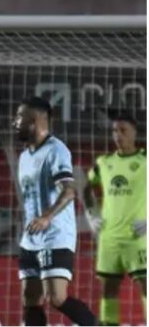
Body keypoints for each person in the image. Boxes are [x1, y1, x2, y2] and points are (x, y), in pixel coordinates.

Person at [12, 96, 97, 326]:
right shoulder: (24, 156)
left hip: (55, 235)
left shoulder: (56, 150)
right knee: (30, 298)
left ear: (36, 119)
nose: (14, 122)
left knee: (56, 297)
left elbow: (69, 190)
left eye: (20, 116)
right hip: (30, 238)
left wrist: (46, 217)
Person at [84, 112, 146, 325]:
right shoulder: (104, 163)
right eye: (114, 131)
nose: (118, 135)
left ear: (134, 133)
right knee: (108, 289)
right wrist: (91, 215)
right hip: (109, 238)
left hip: (138, 237)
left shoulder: (145, 159)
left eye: (123, 131)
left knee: (146, 285)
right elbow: (86, 187)